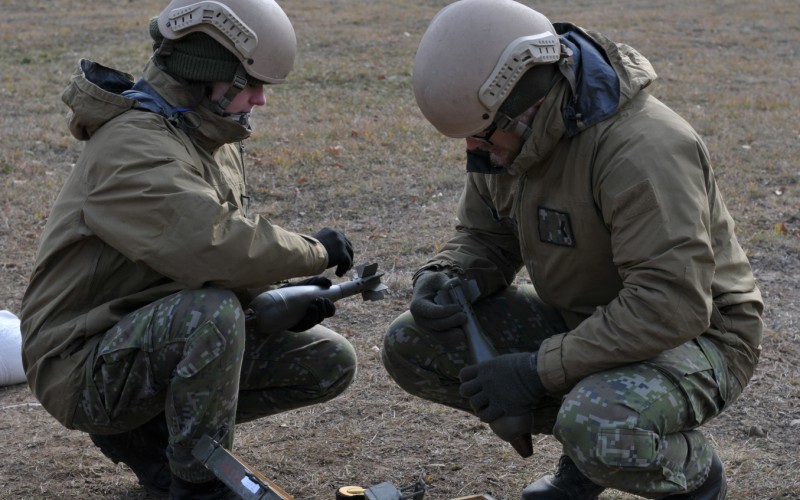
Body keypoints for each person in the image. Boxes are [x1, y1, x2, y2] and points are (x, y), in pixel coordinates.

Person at [382, 0, 763, 498]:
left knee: (599, 424)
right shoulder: (507, 139)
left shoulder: (641, 149)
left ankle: (690, 474)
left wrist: (535, 371)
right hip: (591, 320)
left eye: (483, 134)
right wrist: (450, 274)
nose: (475, 151)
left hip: (702, 336)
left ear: (526, 102)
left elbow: (671, 304)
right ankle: (589, 456)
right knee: (412, 344)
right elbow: (486, 237)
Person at [20, 0, 358, 498]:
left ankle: (149, 436)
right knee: (210, 315)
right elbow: (211, 245)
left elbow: (201, 262)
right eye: (250, 83)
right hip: (80, 361)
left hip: (140, 332)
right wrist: (313, 252)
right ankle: (197, 485)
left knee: (328, 360)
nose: (260, 100)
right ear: (206, 76)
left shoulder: (202, 135)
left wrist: (282, 300)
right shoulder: (133, 145)